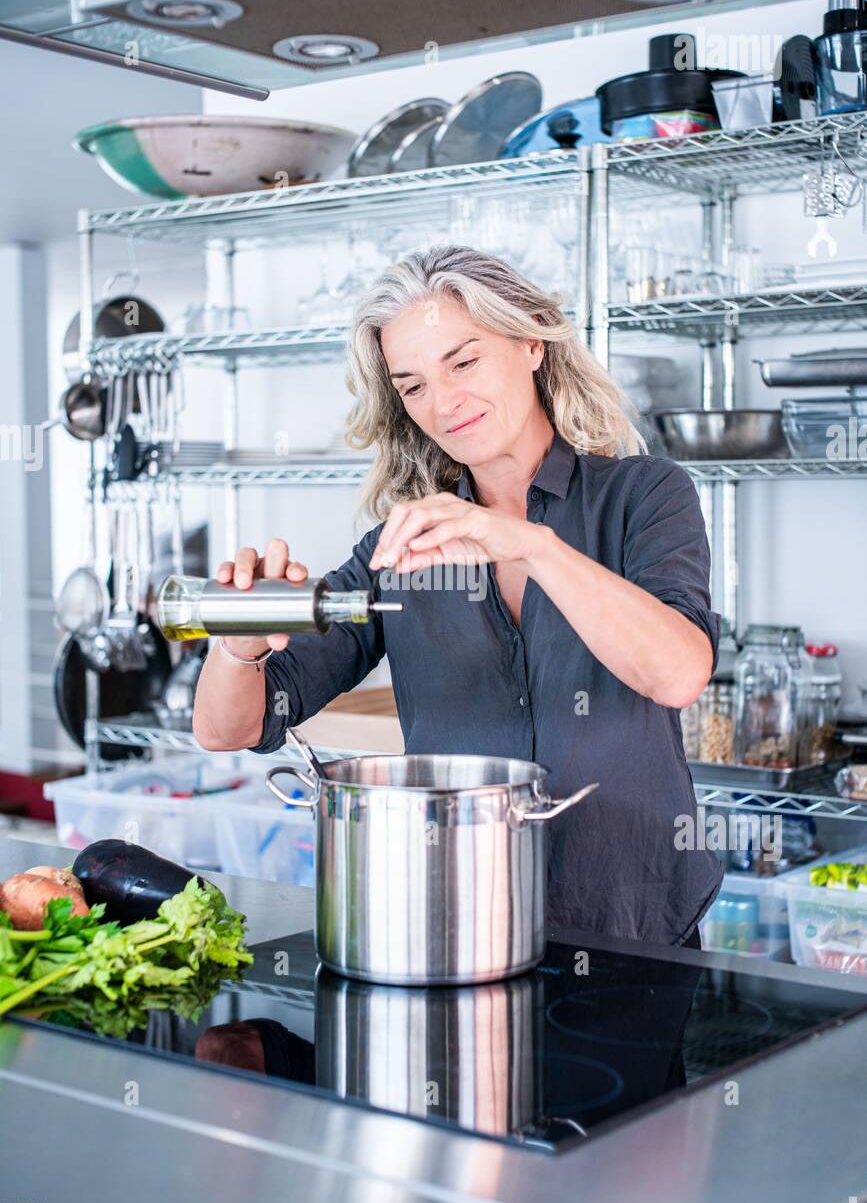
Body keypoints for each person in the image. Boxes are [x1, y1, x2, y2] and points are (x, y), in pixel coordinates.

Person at [193, 245, 722, 946]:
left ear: (530, 339)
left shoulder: (643, 496)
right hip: (459, 923)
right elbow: (227, 728)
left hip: (634, 923)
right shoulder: (399, 549)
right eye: (411, 386)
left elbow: (678, 672)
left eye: (462, 362)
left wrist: (526, 542)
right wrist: (240, 645)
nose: (442, 403)